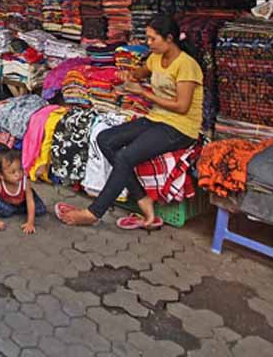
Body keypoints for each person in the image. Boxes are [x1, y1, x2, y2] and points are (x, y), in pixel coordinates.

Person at [55, 13, 203, 230]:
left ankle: (93, 213)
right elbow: (138, 74)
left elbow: (182, 106)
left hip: (180, 128)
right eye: (148, 38)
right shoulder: (155, 58)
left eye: (153, 39)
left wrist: (144, 92)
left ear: (169, 38)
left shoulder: (186, 65)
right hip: (157, 119)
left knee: (125, 156)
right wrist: (128, 77)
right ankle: (142, 198)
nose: (149, 43)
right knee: (105, 139)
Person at [0, 148, 46, 234]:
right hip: (8, 201)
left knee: (40, 210)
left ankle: (20, 210)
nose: (18, 174)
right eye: (12, 172)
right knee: (0, 210)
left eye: (20, 169)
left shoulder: (25, 181)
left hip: (23, 201)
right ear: (0, 175)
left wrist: (30, 223)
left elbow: (30, 201)